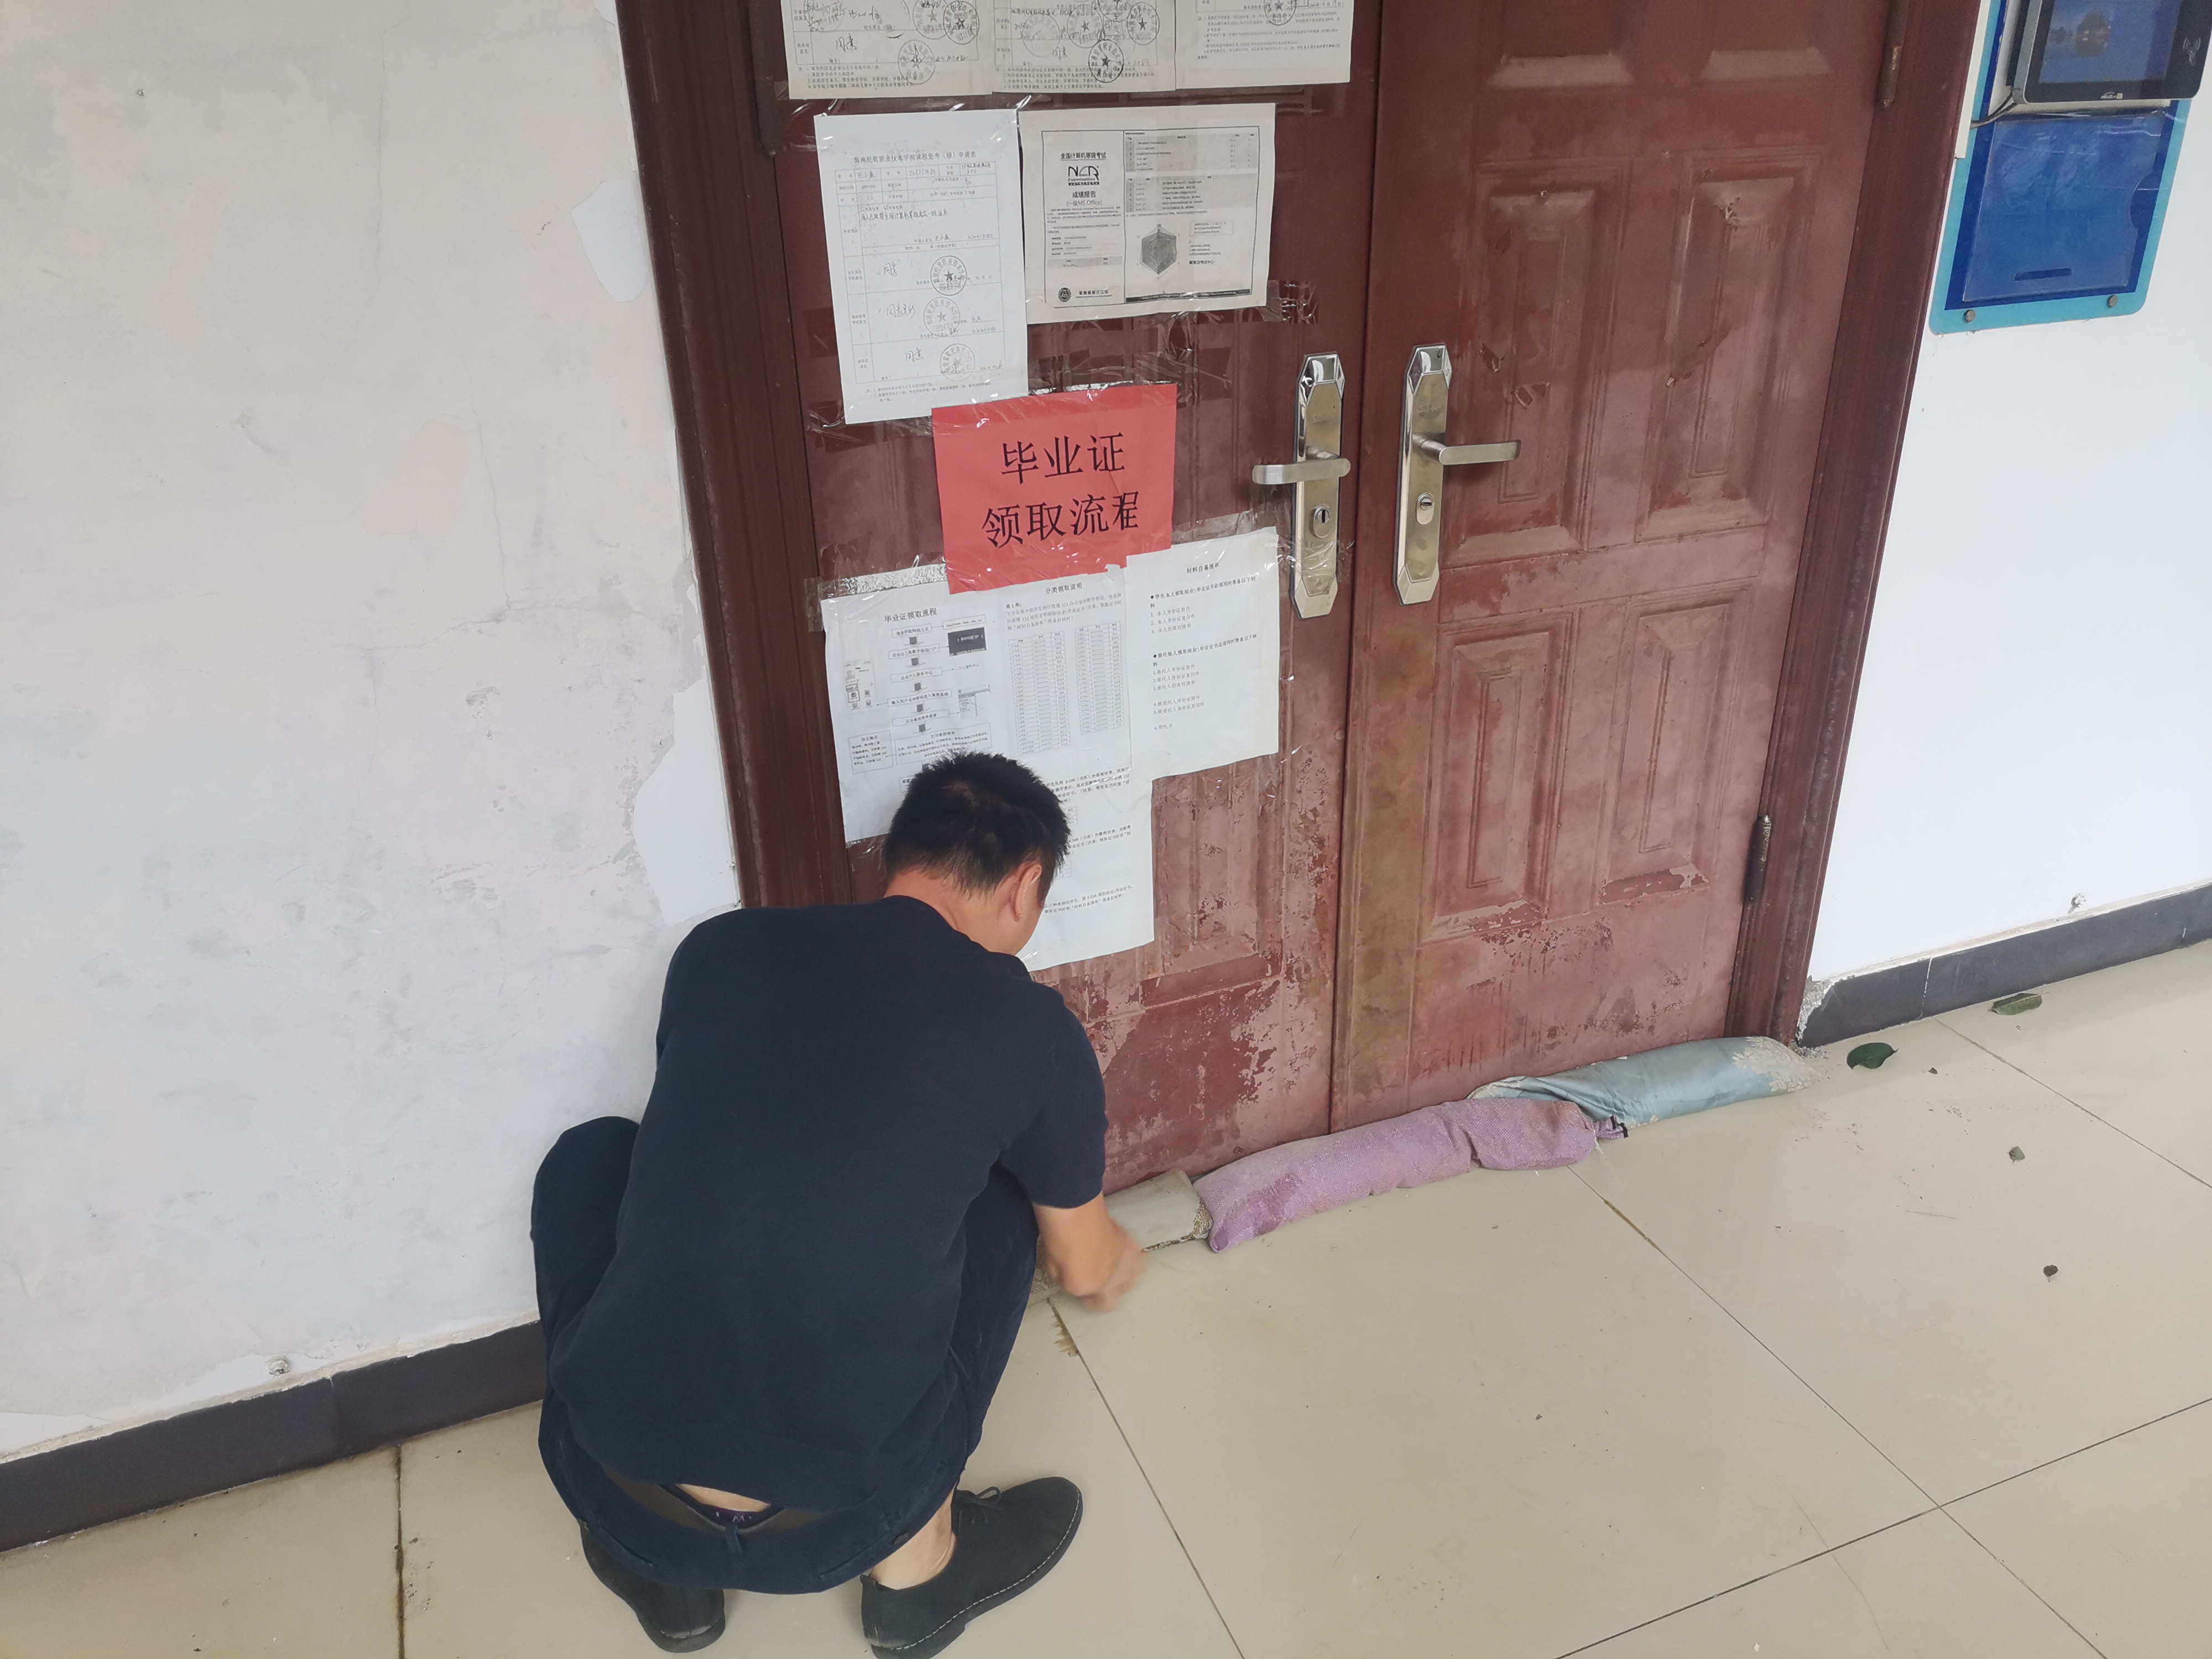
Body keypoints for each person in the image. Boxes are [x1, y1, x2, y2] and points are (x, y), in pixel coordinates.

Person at [529, 752, 1146, 1656]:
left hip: (614, 1485)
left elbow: (710, 1152)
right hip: (841, 1523)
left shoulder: (718, 950)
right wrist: (1115, 1252)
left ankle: (669, 1584)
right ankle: (918, 1579)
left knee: (593, 1157)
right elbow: (1084, 1266)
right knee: (1006, 1201)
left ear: (894, 857)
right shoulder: (1032, 1031)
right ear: (1024, 885)